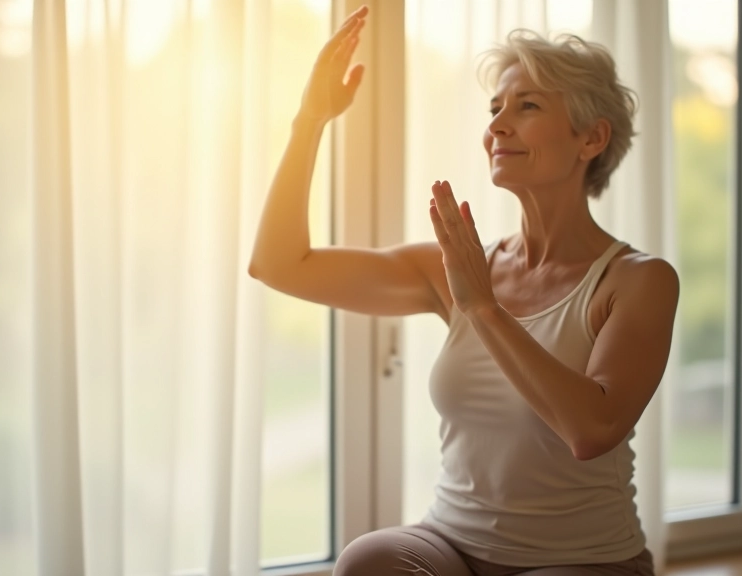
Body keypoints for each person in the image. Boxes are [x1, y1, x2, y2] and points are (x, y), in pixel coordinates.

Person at [248, 5, 678, 576]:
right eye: (495, 108)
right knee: (367, 561)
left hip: (583, 559)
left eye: (527, 106)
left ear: (591, 138)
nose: (498, 125)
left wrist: (483, 308)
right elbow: (280, 265)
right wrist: (311, 120)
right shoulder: (457, 268)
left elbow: (591, 430)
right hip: (449, 544)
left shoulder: (637, 281)